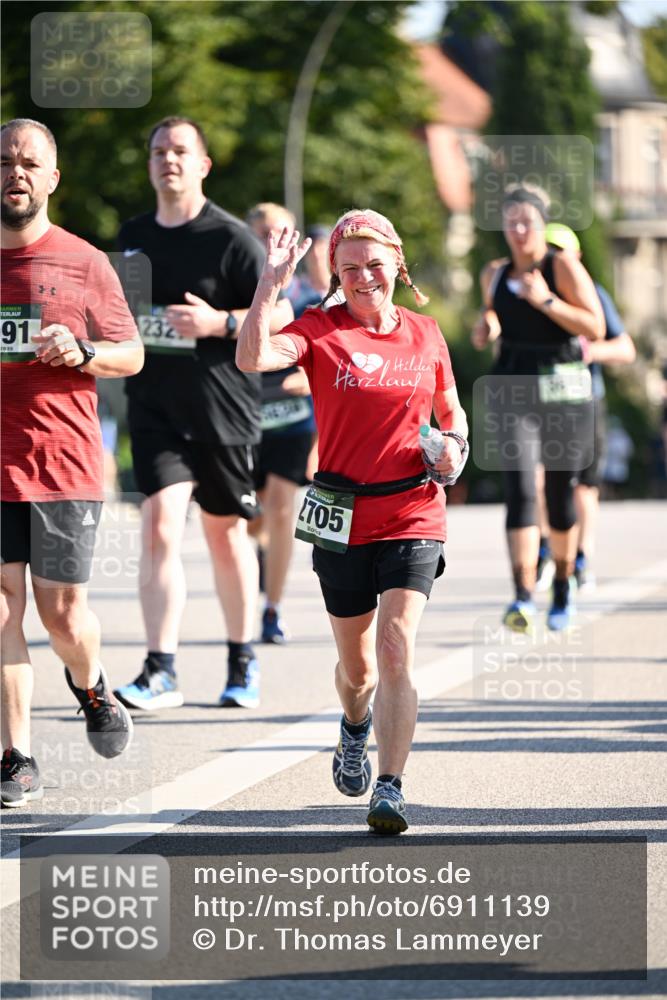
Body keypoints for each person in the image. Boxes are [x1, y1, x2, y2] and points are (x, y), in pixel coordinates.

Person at [237, 209, 468, 835]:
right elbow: (252, 357)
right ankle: (355, 723)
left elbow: (452, 415)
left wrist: (453, 449)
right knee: (359, 669)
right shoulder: (319, 329)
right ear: (336, 274)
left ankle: (390, 787)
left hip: (413, 507)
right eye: (350, 268)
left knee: (396, 647)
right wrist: (271, 284)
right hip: (340, 512)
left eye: (375, 264)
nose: (365, 277)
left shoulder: (425, 333)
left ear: (397, 262)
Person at [113, 118, 292, 713]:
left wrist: (221, 323)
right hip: (155, 406)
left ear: (202, 165)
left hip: (223, 409)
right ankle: (160, 667)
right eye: (159, 151)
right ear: (149, 164)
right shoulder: (133, 236)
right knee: (160, 527)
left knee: (224, 534)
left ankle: (243, 658)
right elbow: (117, 313)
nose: (169, 160)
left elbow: (285, 312)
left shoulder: (232, 237)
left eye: (180, 151)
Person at [1, 118, 144, 807]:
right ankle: (17, 754)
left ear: (52, 179)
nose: (15, 173)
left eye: (29, 163)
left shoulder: (85, 261)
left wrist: (83, 351)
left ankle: (90, 686)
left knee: (62, 619)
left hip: (62, 464)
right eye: (4, 161)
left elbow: (132, 353)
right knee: (1, 607)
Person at [472, 184, 604, 632]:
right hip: (514, 389)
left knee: (559, 495)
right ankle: (522, 595)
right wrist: (486, 326)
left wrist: (545, 299)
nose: (519, 230)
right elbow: (492, 312)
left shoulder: (560, 265)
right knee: (521, 490)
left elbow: (595, 325)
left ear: (543, 224)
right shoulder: (494, 271)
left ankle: (563, 587)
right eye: (511, 222)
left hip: (564, 392)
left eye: (527, 221)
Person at [539, 223, 636, 590]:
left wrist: (585, 351)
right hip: (537, 400)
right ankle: (548, 549)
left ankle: (582, 557)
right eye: (548, 252)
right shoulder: (528, 292)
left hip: (583, 398)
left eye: (561, 253)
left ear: (576, 257)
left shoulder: (592, 293)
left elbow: (626, 349)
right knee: (537, 478)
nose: (553, 260)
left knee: (582, 486)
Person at [246, 203, 317, 643]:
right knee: (253, 517)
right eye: (263, 234)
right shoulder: (235, 288)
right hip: (246, 418)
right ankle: (261, 550)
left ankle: (272, 608)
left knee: (281, 508)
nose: (272, 241)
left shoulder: (311, 295)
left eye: (280, 232)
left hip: (293, 421)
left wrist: (309, 377)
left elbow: (331, 353)